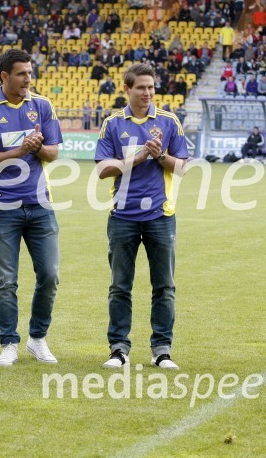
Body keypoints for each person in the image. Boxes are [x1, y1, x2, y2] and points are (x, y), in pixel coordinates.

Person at [94, 63, 189, 369]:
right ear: (127, 89)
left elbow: (184, 168)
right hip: (122, 217)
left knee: (164, 286)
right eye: (141, 88)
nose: (147, 93)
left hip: (161, 216)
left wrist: (161, 155)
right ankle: (119, 349)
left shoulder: (169, 121)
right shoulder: (112, 124)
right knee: (120, 286)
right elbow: (101, 170)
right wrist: (139, 157)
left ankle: (162, 350)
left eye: (151, 87)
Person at [0, 49, 62, 366]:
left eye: (29, 73)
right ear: (4, 77)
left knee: (49, 276)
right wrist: (18, 150)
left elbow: (54, 152)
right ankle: (8, 343)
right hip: (4, 207)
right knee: (6, 281)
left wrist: (38, 149)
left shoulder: (42, 106)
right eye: (22, 73)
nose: (28, 79)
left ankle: (37, 339)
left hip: (40, 205)